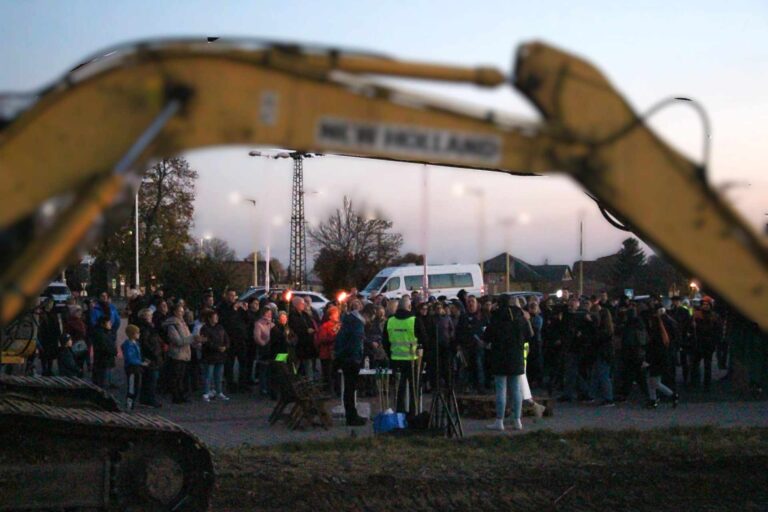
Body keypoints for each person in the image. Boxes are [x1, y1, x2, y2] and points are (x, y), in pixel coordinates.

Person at [485, 295, 528, 431]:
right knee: (516, 389)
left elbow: (487, 335)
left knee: (501, 389)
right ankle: (517, 420)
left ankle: (500, 420)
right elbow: (528, 334)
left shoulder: (496, 316)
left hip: (500, 356)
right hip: (516, 355)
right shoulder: (519, 316)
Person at [334, 299, 367, 426]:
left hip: (346, 358)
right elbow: (355, 343)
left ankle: (352, 414)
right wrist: (357, 358)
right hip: (351, 360)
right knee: (350, 389)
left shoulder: (347, 322)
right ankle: (351, 416)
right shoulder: (356, 324)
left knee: (349, 389)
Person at [383, 296, 418, 414]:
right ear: (409, 306)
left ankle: (399, 414)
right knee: (414, 390)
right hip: (412, 360)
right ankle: (413, 414)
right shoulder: (414, 321)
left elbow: (385, 342)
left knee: (399, 390)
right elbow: (424, 339)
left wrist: (390, 354)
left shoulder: (390, 321)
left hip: (396, 360)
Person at [164, 304, 200, 404]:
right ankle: (176, 396)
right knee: (176, 376)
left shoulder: (183, 323)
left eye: (182, 311)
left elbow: (187, 337)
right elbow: (178, 341)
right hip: (177, 354)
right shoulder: (172, 325)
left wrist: (196, 340)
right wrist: (192, 338)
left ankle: (181, 394)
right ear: (175, 312)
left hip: (185, 353)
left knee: (182, 376)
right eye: (180, 311)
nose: (182, 313)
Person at [645, 306, 679, 408]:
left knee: (654, 380)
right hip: (663, 356)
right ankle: (653, 399)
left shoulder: (656, 331)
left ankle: (671, 395)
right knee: (652, 380)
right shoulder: (669, 324)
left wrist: (648, 359)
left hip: (657, 358)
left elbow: (653, 346)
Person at [218, 289, 250, 393]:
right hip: (230, 339)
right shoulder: (222, 308)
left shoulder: (239, 307)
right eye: (230, 295)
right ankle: (230, 384)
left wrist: (245, 310)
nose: (232, 297)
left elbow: (247, 320)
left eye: (234, 295)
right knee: (229, 363)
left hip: (240, 338)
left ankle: (243, 384)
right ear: (226, 296)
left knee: (243, 362)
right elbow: (226, 321)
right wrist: (233, 309)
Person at [690, 296, 723, 390]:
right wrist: (692, 326)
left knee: (707, 365)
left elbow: (718, 330)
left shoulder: (714, 316)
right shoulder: (696, 315)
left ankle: (706, 385)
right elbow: (690, 328)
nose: (705, 306)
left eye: (707, 304)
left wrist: (715, 342)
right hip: (698, 343)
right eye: (704, 304)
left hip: (709, 344)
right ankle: (695, 383)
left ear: (710, 305)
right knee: (695, 364)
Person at [200, 310, 230, 402]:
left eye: (217, 317)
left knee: (219, 375)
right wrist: (217, 347)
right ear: (209, 318)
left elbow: (226, 338)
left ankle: (219, 391)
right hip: (210, 355)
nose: (216, 318)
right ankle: (206, 392)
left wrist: (225, 346)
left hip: (220, 355)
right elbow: (206, 342)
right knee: (208, 375)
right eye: (214, 317)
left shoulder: (220, 327)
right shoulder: (205, 328)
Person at [589, 305, 615, 406]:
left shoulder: (604, 329)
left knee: (603, 375)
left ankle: (608, 398)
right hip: (604, 353)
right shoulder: (608, 328)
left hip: (603, 353)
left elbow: (598, 338)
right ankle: (592, 395)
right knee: (596, 374)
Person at [137, 308, 163, 408]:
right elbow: (145, 344)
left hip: (153, 355)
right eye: (149, 315)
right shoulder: (145, 328)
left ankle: (145, 399)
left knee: (149, 378)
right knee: (151, 379)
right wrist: (154, 353)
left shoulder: (149, 327)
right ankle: (150, 399)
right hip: (151, 357)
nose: (151, 317)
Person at [289, 296, 318, 380]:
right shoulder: (292, 315)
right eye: (302, 303)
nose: (304, 304)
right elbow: (295, 328)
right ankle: (293, 379)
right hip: (299, 344)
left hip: (307, 343)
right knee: (296, 363)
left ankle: (310, 380)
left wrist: (312, 329)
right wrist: (306, 331)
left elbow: (311, 323)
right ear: (296, 304)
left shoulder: (305, 314)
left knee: (308, 362)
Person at [316, 305, 341, 393]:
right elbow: (322, 339)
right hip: (326, 354)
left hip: (337, 353)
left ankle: (338, 390)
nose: (337, 315)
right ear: (330, 316)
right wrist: (334, 336)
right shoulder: (325, 326)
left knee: (337, 373)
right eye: (335, 314)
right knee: (328, 374)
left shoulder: (340, 325)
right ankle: (328, 390)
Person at [121, 324, 146, 411]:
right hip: (132, 367)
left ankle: (132, 402)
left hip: (137, 367)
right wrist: (141, 362)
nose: (139, 334)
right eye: (137, 333)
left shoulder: (136, 343)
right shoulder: (128, 344)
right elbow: (130, 358)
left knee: (136, 386)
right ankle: (129, 404)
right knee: (132, 386)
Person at [253, 308, 275, 397]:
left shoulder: (272, 324)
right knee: (263, 369)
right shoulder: (258, 324)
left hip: (272, 349)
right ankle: (263, 388)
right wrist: (264, 344)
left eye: (270, 313)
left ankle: (270, 387)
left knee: (271, 369)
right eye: (267, 313)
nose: (269, 315)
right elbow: (257, 337)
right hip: (264, 349)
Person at [38, 298, 62, 376]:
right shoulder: (42, 313)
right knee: (44, 354)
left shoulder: (53, 313)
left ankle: (49, 369)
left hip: (52, 336)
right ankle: (44, 369)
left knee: (51, 355)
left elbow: (57, 325)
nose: (50, 305)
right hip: (44, 336)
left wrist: (58, 335)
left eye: (51, 303)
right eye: (49, 303)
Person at [92, 316, 116, 389]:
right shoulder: (100, 334)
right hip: (103, 359)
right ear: (103, 324)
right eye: (108, 323)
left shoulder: (106, 332)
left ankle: (107, 385)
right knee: (103, 379)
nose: (110, 324)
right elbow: (104, 347)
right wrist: (113, 351)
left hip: (106, 358)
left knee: (106, 375)